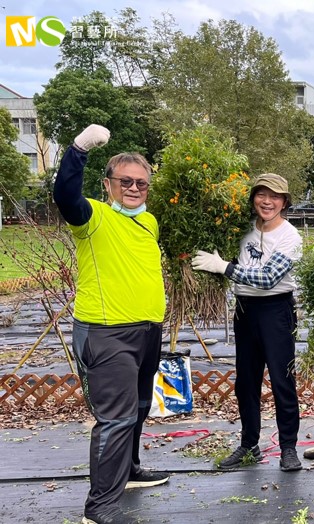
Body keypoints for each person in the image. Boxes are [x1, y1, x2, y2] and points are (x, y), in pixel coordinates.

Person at [54, 124, 168, 524]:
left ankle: (131, 471)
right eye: (126, 181)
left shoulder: (148, 222)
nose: (135, 188)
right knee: (116, 418)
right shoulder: (93, 217)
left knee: (137, 408)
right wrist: (78, 150)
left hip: (147, 330)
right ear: (108, 184)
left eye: (142, 183)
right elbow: (65, 196)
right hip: (106, 334)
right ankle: (99, 507)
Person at [191, 173, 303, 473]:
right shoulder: (241, 230)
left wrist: (224, 267)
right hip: (245, 310)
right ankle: (248, 444)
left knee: (282, 381)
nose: (267, 201)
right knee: (245, 382)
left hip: (276, 310)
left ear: (284, 202)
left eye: (275, 197)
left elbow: (267, 279)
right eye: (261, 195)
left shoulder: (291, 236)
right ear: (253, 198)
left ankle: (288, 448)